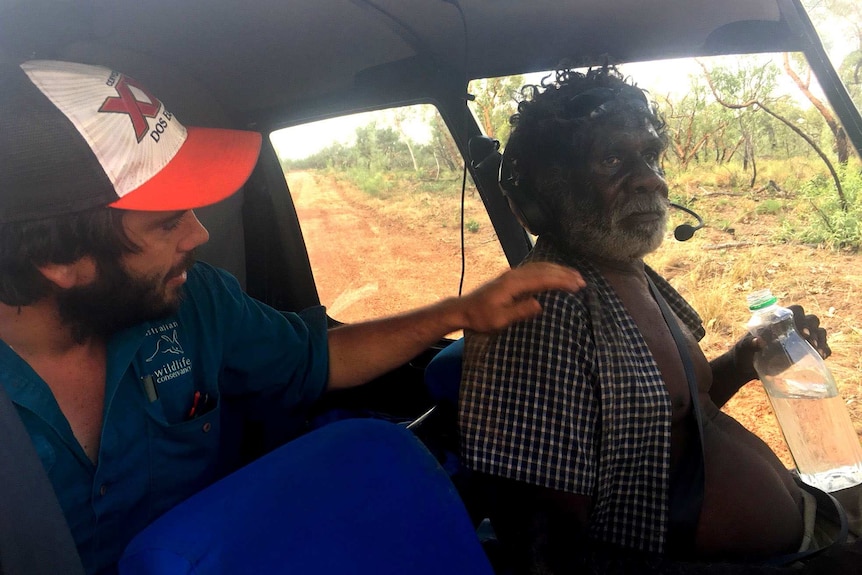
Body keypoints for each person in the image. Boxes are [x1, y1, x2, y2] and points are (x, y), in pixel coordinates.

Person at [0, 59, 586, 574]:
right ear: (60, 260)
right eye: (166, 222)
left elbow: (319, 358)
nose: (200, 233)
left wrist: (459, 312)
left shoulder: (196, 302)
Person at [458, 67, 855, 574]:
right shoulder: (541, 313)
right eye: (611, 159)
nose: (652, 179)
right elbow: (549, 546)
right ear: (545, 195)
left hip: (803, 529)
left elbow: (679, 412)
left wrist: (743, 358)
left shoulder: (626, 269)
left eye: (650, 155)